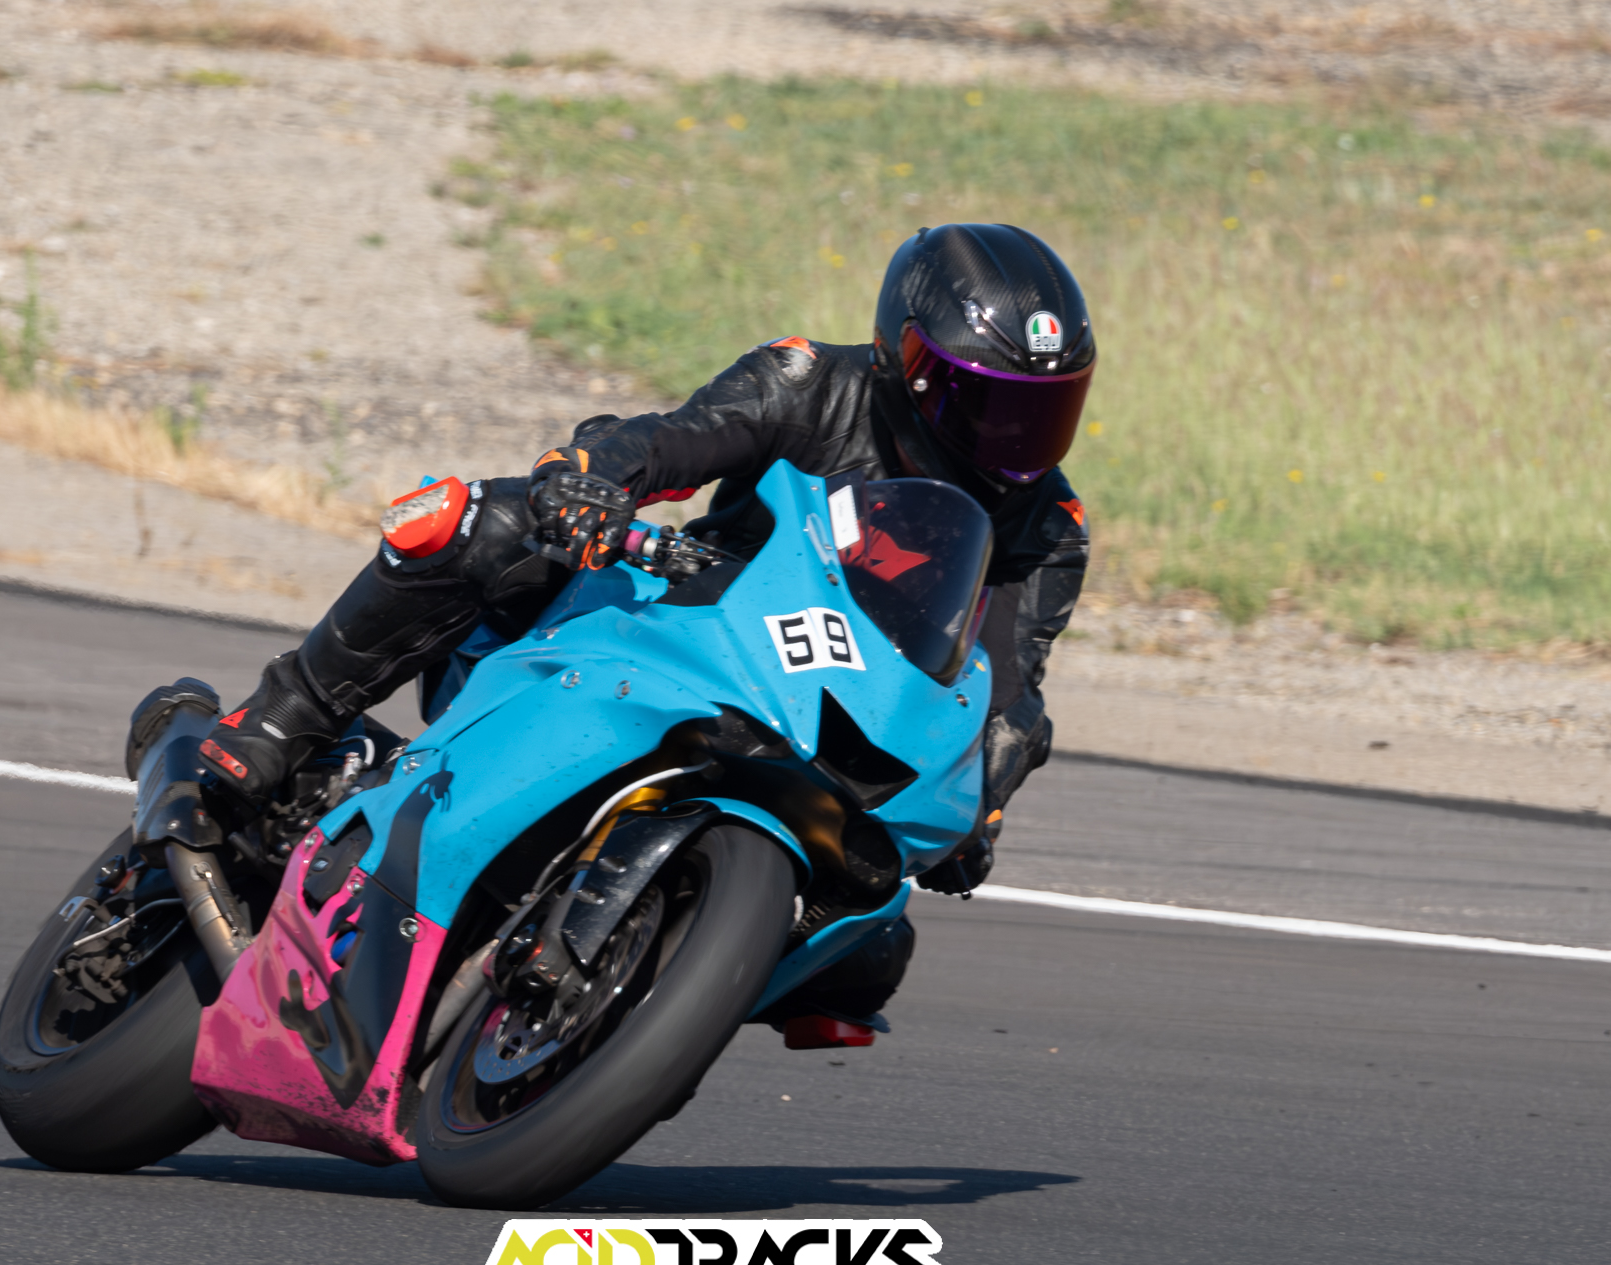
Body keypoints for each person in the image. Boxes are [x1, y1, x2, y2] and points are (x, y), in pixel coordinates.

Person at [194, 222, 1093, 1019]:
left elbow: (1008, 685)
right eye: (984, 403)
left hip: (836, 716)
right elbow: (671, 441)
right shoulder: (810, 380)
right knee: (490, 522)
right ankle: (281, 717)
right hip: (689, 619)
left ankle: (653, 994)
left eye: (1040, 413)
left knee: (868, 954)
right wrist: (591, 479)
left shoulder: (1047, 525)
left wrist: (983, 798)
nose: (1011, 439)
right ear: (903, 356)